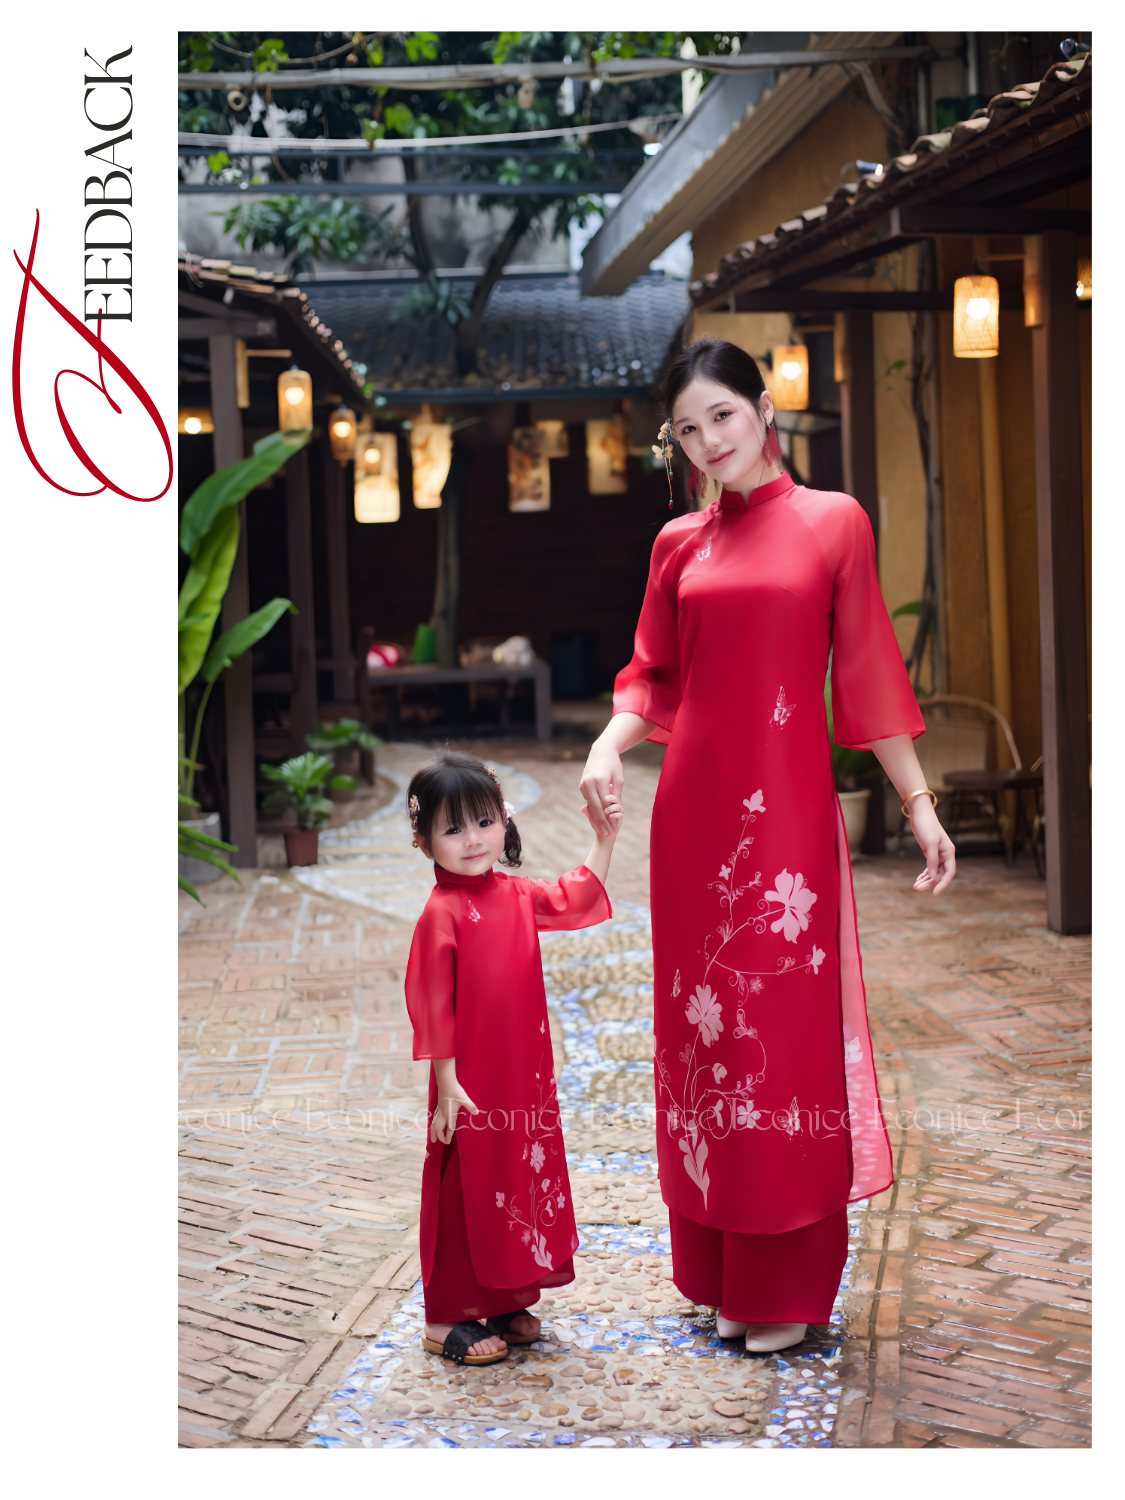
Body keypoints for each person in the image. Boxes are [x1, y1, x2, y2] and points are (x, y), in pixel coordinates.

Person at [579, 338, 955, 1355]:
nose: (708, 442)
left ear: (765, 409)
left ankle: (782, 1284)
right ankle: (717, 1272)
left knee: (780, 1043)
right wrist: (609, 744)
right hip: (690, 821)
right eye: (687, 430)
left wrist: (917, 804)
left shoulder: (833, 522)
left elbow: (867, 672)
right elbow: (651, 676)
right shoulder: (676, 544)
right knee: (703, 1042)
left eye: (723, 416)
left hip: (785, 824)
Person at [405, 750, 623, 1365]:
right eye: (453, 829)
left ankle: (503, 1297)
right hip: (469, 1079)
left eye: (484, 822)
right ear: (423, 841)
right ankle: (445, 1316)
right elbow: (431, 1004)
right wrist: (447, 1082)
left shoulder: (517, 894)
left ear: (504, 820)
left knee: (514, 1174)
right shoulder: (441, 914)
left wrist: (603, 839)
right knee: (462, 1184)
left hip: (522, 1075)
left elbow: (574, 898)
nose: (473, 840)